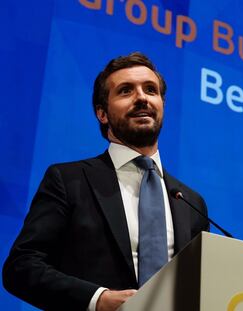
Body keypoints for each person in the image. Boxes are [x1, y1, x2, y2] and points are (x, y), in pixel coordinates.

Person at [2, 52, 209, 311]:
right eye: (126, 91)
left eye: (150, 90)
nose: (142, 98)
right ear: (102, 113)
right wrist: (97, 299)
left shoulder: (191, 202)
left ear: (162, 104)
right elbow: (21, 267)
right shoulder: (69, 180)